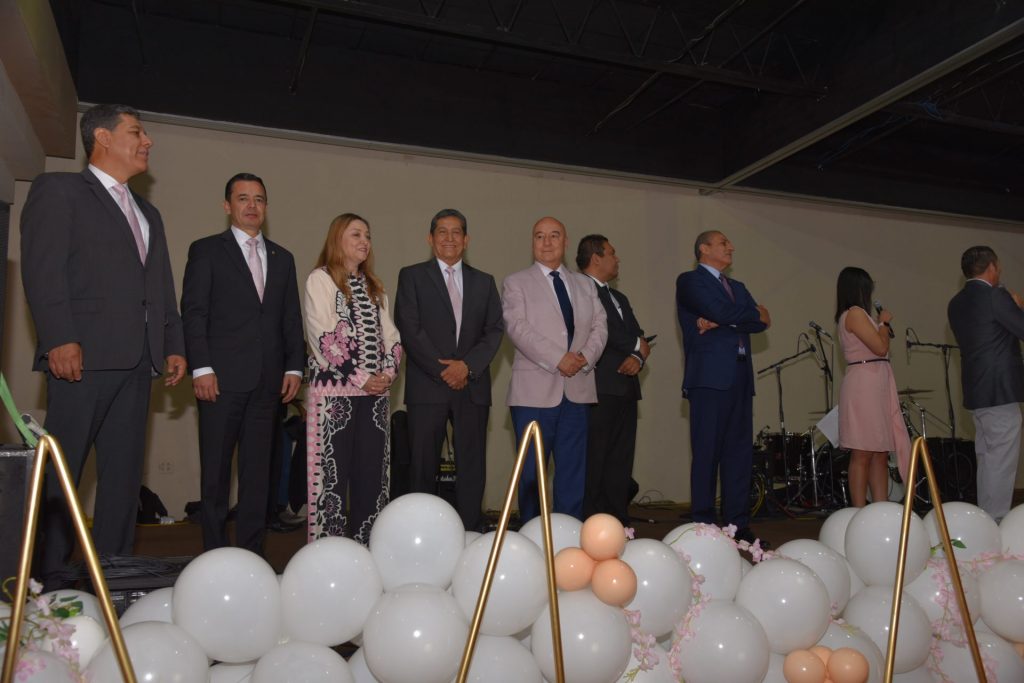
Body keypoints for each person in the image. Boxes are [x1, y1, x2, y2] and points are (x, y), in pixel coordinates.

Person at [20, 103, 187, 587]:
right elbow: (43, 270)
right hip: (82, 357)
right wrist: (59, 338)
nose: (147, 141)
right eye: (136, 132)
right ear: (103, 138)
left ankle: (113, 573)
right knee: (62, 471)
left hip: (138, 361)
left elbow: (160, 286)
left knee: (122, 478)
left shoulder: (148, 212)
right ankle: (45, 577)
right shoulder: (60, 190)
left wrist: (173, 343)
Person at [180, 173, 305, 552]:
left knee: (258, 477)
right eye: (243, 198)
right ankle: (216, 555)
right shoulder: (206, 250)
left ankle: (252, 555)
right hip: (219, 381)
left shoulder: (283, 258)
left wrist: (294, 366)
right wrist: (201, 367)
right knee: (216, 476)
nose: (252, 206)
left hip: (268, 383)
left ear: (266, 207)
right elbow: (194, 313)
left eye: (259, 199)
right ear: (227, 205)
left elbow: (290, 317)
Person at [394, 209, 504, 531]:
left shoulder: (484, 282)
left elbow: (494, 330)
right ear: (430, 239)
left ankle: (469, 532)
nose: (449, 238)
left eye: (457, 232)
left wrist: (466, 367)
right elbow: (409, 328)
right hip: (428, 386)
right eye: (442, 231)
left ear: (466, 240)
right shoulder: (411, 276)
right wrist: (443, 370)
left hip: (472, 386)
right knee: (422, 467)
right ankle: (422, 534)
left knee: (472, 466)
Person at [304, 213, 402, 543]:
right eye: (356, 234)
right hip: (334, 397)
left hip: (374, 398)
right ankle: (328, 555)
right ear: (337, 239)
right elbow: (322, 336)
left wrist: (387, 373)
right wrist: (361, 377)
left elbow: (393, 338)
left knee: (372, 479)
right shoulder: (320, 280)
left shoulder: (376, 288)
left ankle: (368, 548)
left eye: (368, 235)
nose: (365, 241)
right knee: (330, 481)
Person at [503, 217, 607, 523]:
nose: (546, 242)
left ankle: (566, 536)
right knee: (531, 475)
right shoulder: (516, 282)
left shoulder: (585, 284)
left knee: (573, 473)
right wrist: (559, 358)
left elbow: (600, 326)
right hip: (533, 395)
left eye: (554, 235)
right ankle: (533, 535)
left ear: (565, 241)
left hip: (577, 391)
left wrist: (584, 357)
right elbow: (517, 328)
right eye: (539, 236)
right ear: (532, 242)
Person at [676, 230, 769, 543]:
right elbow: (725, 312)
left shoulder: (737, 287)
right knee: (707, 451)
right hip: (709, 379)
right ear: (704, 248)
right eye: (723, 243)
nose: (731, 247)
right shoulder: (690, 281)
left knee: (739, 454)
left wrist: (725, 320)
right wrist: (737, 316)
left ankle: (737, 525)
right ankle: (703, 525)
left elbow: (763, 321)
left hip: (741, 377)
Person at [576, 235, 650, 524]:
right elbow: (602, 332)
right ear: (596, 257)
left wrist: (639, 357)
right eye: (612, 253)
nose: (617, 259)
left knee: (620, 459)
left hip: (626, 388)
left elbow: (639, 336)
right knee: (595, 457)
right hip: (597, 386)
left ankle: (617, 521)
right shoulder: (579, 289)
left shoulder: (619, 297)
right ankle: (591, 522)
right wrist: (638, 346)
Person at [948, 246, 1024, 522]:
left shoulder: (956, 302)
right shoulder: (996, 296)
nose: (1000, 270)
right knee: (1000, 459)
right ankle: (996, 520)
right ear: (992, 267)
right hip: (1000, 389)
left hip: (976, 390)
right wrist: (1018, 306)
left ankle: (985, 518)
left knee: (987, 457)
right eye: (998, 266)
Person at [834, 267, 910, 507]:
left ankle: (880, 508)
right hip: (864, 385)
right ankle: (859, 510)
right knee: (863, 451)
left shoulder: (859, 315)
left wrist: (880, 326)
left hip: (875, 383)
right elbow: (880, 347)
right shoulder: (855, 313)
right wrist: (883, 323)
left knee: (879, 452)